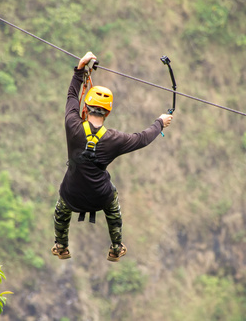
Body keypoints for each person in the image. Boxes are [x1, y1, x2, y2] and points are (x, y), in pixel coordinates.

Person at [52, 52, 173, 262]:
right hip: (100, 196)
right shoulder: (114, 139)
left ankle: (61, 246)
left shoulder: (72, 125)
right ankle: (116, 247)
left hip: (72, 194)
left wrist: (80, 70)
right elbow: (143, 138)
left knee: (62, 206)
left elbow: (72, 97)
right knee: (113, 206)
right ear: (107, 113)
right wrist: (160, 122)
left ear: (86, 107)